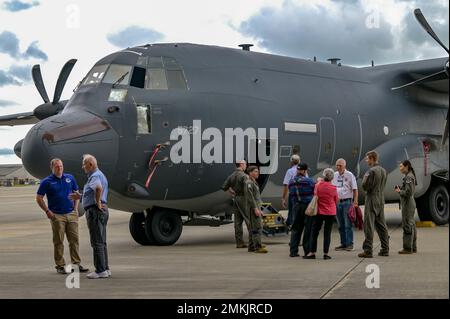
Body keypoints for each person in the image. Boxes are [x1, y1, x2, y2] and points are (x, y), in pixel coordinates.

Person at [36, 158, 89, 274]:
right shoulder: (47, 181)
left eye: (61, 166)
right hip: (56, 215)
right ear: (52, 168)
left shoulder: (70, 178)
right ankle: (60, 265)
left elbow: (76, 193)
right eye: (57, 167)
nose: (59, 168)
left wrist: (75, 208)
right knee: (59, 241)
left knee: (74, 240)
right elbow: (39, 198)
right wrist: (47, 211)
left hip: (71, 214)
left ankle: (76, 264)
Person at [70, 154, 110, 279]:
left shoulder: (95, 176)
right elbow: (92, 192)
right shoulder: (98, 175)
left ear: (91, 165)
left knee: (96, 242)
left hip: (95, 211)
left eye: (84, 164)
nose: (83, 167)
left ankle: (100, 270)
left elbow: (98, 188)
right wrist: (80, 196)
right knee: (102, 242)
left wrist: (97, 203)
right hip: (100, 210)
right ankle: (105, 268)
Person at [358, 151, 389, 258]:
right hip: (380, 199)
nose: (367, 161)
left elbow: (365, 185)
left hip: (371, 198)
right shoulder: (384, 170)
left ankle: (368, 250)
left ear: (372, 159)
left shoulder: (371, 171)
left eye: (367, 159)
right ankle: (385, 249)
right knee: (382, 225)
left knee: (369, 225)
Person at [304, 168, 338, 260]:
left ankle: (312, 252)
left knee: (315, 232)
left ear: (324, 175)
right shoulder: (334, 188)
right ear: (332, 178)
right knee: (327, 233)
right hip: (331, 212)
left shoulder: (318, 186)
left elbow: (315, 195)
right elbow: (336, 200)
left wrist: (320, 181)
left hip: (319, 212)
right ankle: (326, 253)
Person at [222, 160, 252, 249]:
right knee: (249, 220)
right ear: (242, 165)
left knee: (238, 222)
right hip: (244, 199)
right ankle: (253, 242)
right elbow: (248, 189)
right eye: (245, 164)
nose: (246, 166)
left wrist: (232, 192)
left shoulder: (231, 176)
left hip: (236, 199)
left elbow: (224, 187)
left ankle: (239, 242)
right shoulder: (244, 176)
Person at [287, 163, 315, 257]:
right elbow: (315, 190)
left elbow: (290, 192)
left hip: (296, 206)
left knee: (295, 229)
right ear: (304, 171)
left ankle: (293, 251)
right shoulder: (309, 181)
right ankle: (307, 251)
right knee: (308, 229)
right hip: (307, 207)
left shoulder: (291, 181)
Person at [332, 158, 358, 251]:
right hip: (337, 203)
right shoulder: (334, 175)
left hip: (347, 202)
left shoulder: (349, 175)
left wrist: (355, 201)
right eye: (337, 165)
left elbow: (355, 189)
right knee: (340, 225)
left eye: (340, 165)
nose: (338, 167)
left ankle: (349, 244)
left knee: (348, 224)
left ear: (344, 166)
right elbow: (332, 188)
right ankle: (343, 243)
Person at [395, 160, 418, 254]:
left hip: (408, 204)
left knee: (407, 224)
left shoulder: (408, 177)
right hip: (410, 203)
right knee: (412, 224)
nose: (400, 168)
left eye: (401, 166)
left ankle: (408, 248)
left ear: (406, 166)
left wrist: (399, 191)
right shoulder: (410, 176)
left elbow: (409, 192)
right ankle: (413, 247)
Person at [245, 166, 268, 253]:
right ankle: (258, 247)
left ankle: (251, 246)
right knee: (257, 227)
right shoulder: (249, 183)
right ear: (250, 173)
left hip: (256, 207)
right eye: (255, 171)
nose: (257, 173)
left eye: (257, 171)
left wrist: (259, 208)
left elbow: (256, 197)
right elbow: (250, 197)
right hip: (252, 208)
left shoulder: (254, 182)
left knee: (252, 227)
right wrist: (255, 208)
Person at [281, 154, 301, 226]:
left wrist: (283, 198)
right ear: (299, 161)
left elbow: (286, 185)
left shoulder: (290, 171)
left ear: (291, 162)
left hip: (293, 195)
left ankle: (291, 224)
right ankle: (291, 222)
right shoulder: (303, 171)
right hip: (302, 195)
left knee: (292, 210)